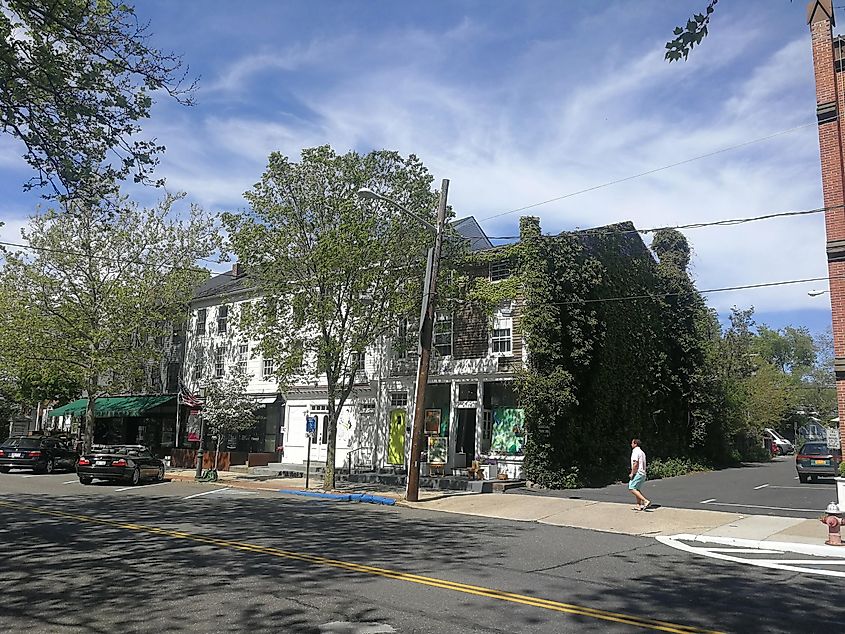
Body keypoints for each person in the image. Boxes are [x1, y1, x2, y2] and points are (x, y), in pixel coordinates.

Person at [628, 438, 650, 511]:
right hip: (643, 473)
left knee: (631, 488)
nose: (631, 444)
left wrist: (632, 473)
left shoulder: (635, 451)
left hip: (638, 472)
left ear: (635, 444)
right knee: (637, 489)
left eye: (632, 443)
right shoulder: (642, 452)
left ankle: (645, 501)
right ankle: (638, 505)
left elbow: (635, 463)